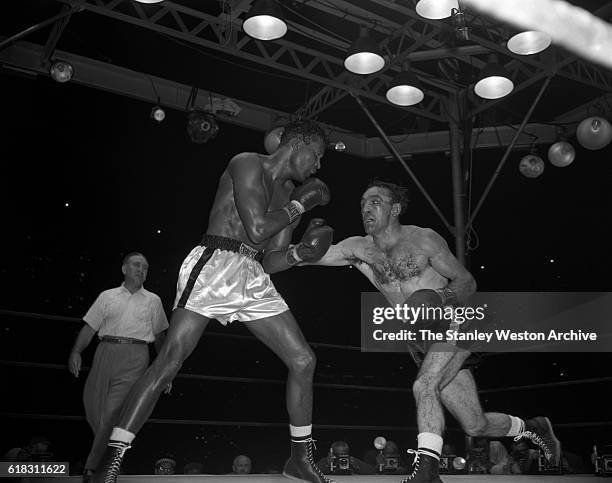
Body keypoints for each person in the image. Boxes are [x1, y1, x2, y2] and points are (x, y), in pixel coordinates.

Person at [91, 120, 334, 483]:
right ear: (297, 143)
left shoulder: (287, 194)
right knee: (169, 361)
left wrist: (302, 253)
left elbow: (271, 257)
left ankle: (299, 459)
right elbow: (255, 227)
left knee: (303, 360)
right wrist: (300, 206)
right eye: (316, 155)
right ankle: (111, 460)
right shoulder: (247, 163)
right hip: (214, 263)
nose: (318, 165)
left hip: (252, 275)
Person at [310, 180, 562, 482]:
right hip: (419, 339)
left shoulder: (423, 239)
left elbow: (467, 282)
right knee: (475, 425)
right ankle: (532, 427)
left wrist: (437, 298)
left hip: (453, 320)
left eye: (376, 201)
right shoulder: (358, 248)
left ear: (396, 209)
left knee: (424, 385)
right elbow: (312, 255)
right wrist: (286, 231)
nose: (366, 207)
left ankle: (428, 471)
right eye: (363, 202)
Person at [68, 252, 169, 477]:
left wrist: (165, 371)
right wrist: (76, 351)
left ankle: (93, 468)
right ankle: (111, 461)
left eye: (145, 267)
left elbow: (161, 338)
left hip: (136, 355)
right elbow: (89, 328)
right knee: (94, 410)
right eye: (136, 265)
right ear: (124, 269)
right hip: (104, 352)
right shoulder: (107, 296)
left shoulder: (153, 300)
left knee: (113, 412)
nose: (141, 269)